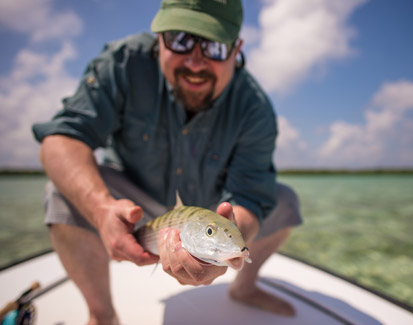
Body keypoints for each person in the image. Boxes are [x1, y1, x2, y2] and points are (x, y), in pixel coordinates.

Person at [32, 0, 302, 323]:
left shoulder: (254, 108)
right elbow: (61, 140)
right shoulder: (124, 63)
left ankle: (242, 285)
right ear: (158, 35)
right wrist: (100, 209)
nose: (196, 61)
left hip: (213, 212)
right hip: (132, 206)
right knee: (62, 191)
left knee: (284, 200)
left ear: (236, 49)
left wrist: (222, 249)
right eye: (180, 39)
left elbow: (248, 196)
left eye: (214, 46)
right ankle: (102, 314)